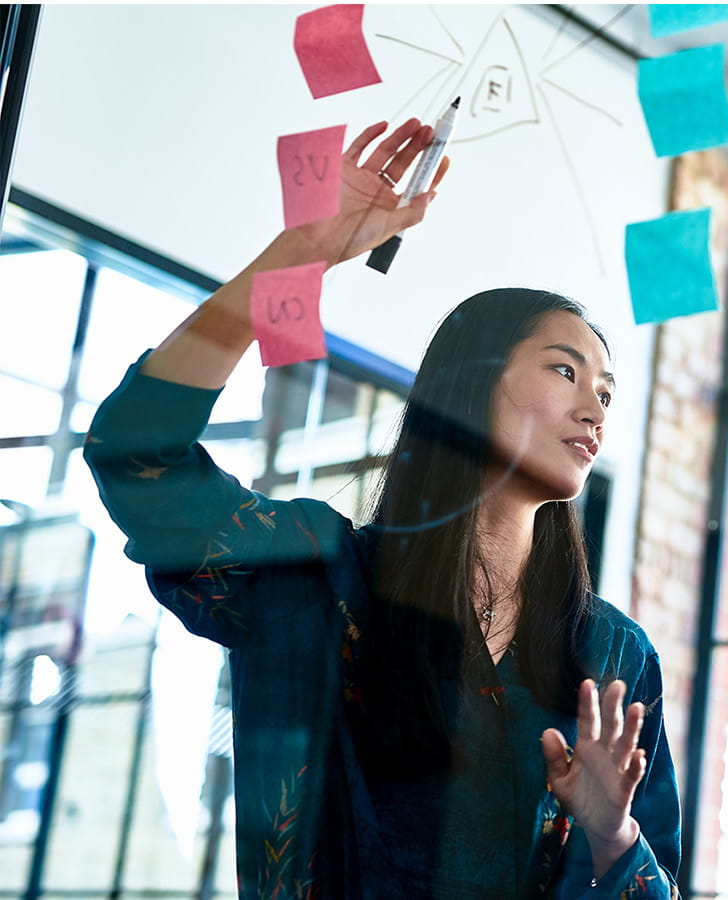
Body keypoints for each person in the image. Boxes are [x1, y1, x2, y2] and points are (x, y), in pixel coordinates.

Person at [84, 119, 680, 898]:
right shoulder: (318, 578)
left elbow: (665, 880)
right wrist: (295, 257)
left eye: (606, 392)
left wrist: (613, 836)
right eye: (566, 371)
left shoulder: (614, 658)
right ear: (469, 385)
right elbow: (138, 455)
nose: (595, 410)